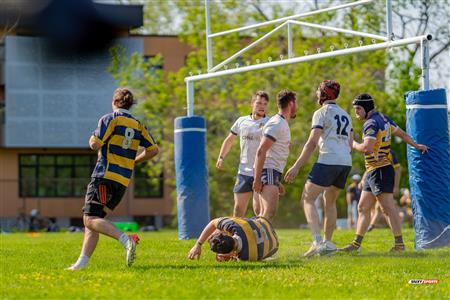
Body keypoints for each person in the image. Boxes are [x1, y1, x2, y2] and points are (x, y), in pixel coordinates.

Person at [67, 88, 159, 271]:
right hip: (123, 181)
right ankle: (80, 265)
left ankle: (127, 240)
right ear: (130, 104)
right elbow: (153, 150)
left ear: (115, 102)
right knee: (94, 222)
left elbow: (95, 144)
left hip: (104, 176)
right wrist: (134, 161)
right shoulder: (138, 124)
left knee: (90, 219)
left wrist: (93, 139)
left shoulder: (110, 118)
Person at [339, 93, 428, 253]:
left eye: (358, 109)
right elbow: (401, 134)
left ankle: (399, 245)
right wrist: (416, 145)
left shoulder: (371, 123)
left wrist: (352, 143)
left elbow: (367, 148)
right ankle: (355, 245)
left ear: (366, 108)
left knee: (388, 208)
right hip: (373, 170)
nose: (356, 112)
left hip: (380, 170)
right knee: (363, 206)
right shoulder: (383, 119)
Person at [284, 80, 353, 257]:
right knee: (329, 201)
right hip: (345, 161)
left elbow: (312, 143)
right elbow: (350, 144)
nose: (316, 93)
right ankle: (328, 244)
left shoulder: (321, 113)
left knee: (307, 198)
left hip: (328, 159)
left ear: (324, 95)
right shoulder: (346, 114)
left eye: (318, 90)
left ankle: (316, 241)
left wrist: (296, 166)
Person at [216, 91, 270, 217]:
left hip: (261, 172)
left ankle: (261, 235)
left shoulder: (270, 122)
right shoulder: (241, 121)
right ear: (252, 104)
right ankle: (236, 235)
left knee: (258, 210)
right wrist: (221, 157)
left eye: (265, 104)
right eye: (258, 103)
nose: (262, 106)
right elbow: (229, 139)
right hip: (243, 172)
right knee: (238, 210)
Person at [253, 89, 298, 221]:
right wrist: (257, 179)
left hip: (272, 172)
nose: (297, 107)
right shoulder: (277, 123)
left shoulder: (281, 123)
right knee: (267, 213)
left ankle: (255, 240)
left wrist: (276, 181)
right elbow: (261, 150)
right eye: (296, 103)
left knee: (264, 215)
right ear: (291, 104)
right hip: (268, 170)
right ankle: (244, 239)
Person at [187, 216, 278, 262]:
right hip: (265, 222)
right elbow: (213, 223)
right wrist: (198, 244)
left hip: (275, 246)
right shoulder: (234, 226)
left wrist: (231, 257)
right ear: (226, 234)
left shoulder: (246, 257)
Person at [367, 149, 401, 232]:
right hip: (376, 181)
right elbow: (369, 167)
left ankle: (396, 232)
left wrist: (396, 186)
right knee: (380, 207)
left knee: (385, 208)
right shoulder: (371, 150)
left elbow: (398, 169)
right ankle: (372, 226)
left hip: (387, 183)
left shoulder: (390, 152)